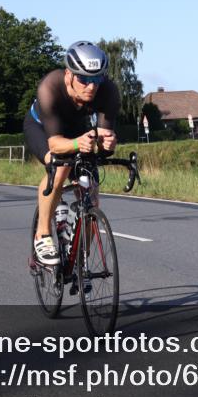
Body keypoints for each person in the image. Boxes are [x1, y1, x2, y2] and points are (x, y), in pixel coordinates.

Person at [23, 41, 120, 265]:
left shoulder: (108, 91)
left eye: (96, 79)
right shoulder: (50, 87)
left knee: (92, 193)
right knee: (60, 167)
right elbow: (56, 144)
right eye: (84, 79)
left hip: (77, 128)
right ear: (68, 74)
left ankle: (79, 259)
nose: (91, 86)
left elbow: (104, 140)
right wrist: (77, 143)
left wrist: (108, 143)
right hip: (42, 128)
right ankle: (43, 235)